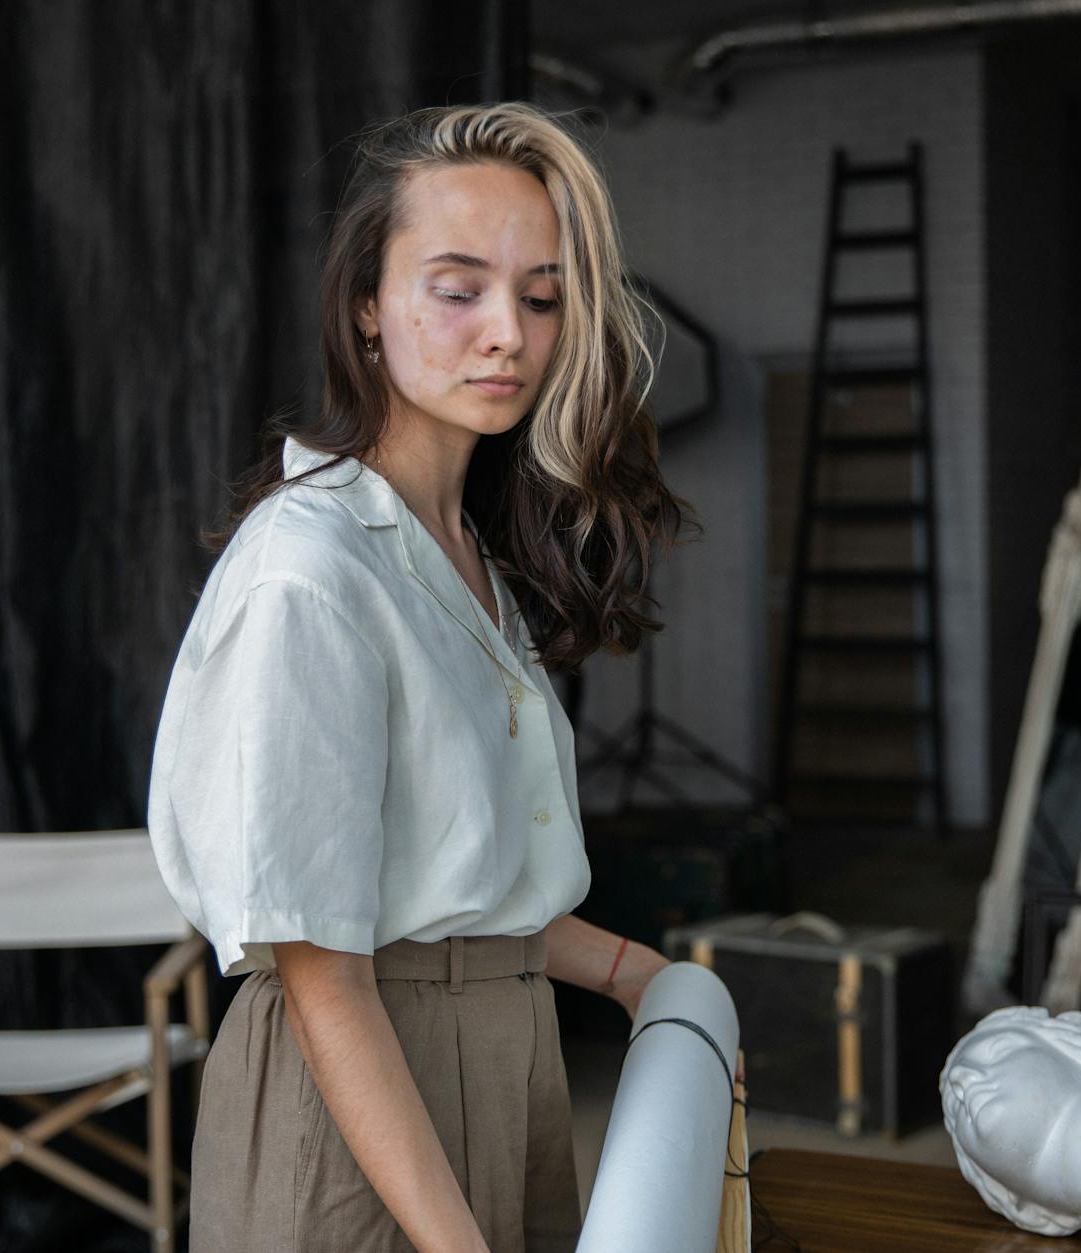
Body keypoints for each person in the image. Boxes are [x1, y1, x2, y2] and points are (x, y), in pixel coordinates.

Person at [147, 101, 697, 1253]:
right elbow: (321, 961)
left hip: (507, 1063)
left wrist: (638, 972)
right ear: (365, 307)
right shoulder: (311, 565)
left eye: (541, 296)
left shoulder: (464, 558)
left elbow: (450, 880)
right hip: (358, 1095)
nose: (507, 330)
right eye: (458, 287)